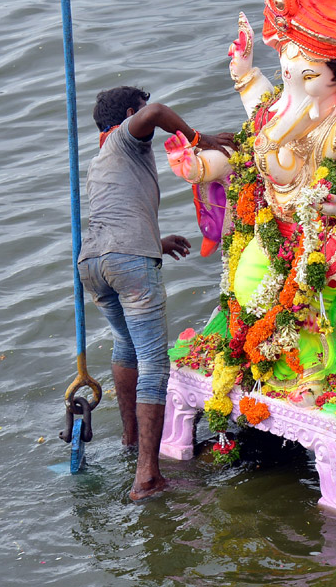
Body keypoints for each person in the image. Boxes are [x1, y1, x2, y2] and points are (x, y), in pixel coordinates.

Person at [78, 86, 234, 501]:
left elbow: (115, 214)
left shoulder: (100, 160)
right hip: (125, 258)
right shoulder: (125, 136)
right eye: (139, 111)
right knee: (153, 362)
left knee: (125, 347)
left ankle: (131, 441)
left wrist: (155, 242)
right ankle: (148, 475)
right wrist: (200, 139)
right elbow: (159, 112)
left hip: (93, 262)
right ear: (130, 113)